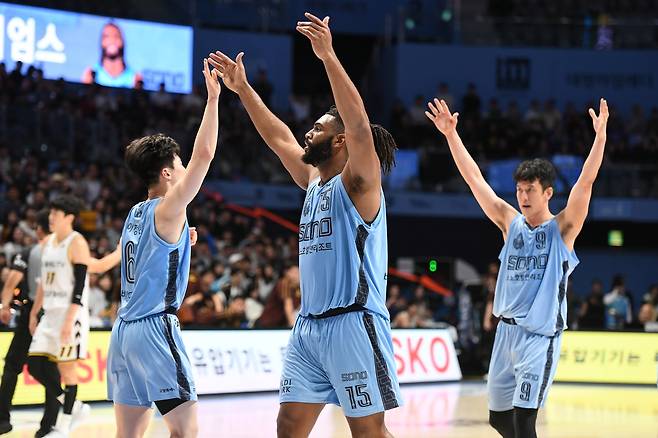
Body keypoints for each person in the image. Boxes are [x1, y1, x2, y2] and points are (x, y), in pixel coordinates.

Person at [209, 12, 401, 437]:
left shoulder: (360, 183)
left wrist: (328, 56)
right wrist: (242, 90)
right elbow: (278, 137)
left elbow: (359, 129)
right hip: (309, 327)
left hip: (355, 322)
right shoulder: (314, 179)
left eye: (316, 129)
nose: (306, 132)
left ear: (339, 142)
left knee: (368, 432)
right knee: (289, 426)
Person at [425, 96, 608, 437]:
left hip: (539, 338)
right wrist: (451, 135)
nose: (523, 197)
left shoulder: (562, 230)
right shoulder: (511, 223)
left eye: (530, 190)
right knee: (498, 419)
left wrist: (599, 138)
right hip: (504, 334)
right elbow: (475, 181)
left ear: (548, 193)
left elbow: (585, 183)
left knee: (525, 420)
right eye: (520, 190)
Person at [106, 57, 220, 438]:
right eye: (180, 163)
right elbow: (205, 155)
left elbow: (148, 254)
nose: (187, 166)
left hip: (123, 332)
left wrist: (179, 244)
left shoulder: (136, 213)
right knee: (185, 432)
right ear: (167, 173)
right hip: (155, 328)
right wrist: (213, 100)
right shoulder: (171, 208)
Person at [27, 197, 121, 437]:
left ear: (69, 217)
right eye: (51, 213)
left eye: (56, 213)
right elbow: (42, 284)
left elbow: (84, 280)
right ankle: (75, 406)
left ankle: (64, 426)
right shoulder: (48, 243)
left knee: (67, 371)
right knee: (36, 365)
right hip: (50, 313)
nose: (51, 217)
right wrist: (35, 311)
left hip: (71, 314)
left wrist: (120, 252)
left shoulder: (76, 242)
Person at [0, 210, 49, 435]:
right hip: (57, 314)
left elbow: (12, 281)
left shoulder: (30, 251)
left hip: (33, 311)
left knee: (12, 367)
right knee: (53, 368)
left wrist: (4, 306)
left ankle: (2, 419)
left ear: (38, 229)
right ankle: (51, 423)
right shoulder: (69, 251)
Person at [82, 22, 142, 88]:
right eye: (107, 36)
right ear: (102, 42)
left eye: (116, 36)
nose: (112, 40)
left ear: (122, 41)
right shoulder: (91, 74)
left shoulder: (134, 78)